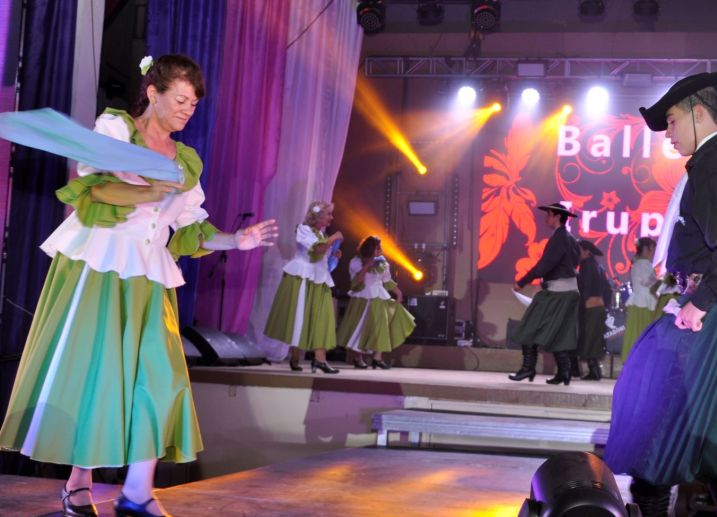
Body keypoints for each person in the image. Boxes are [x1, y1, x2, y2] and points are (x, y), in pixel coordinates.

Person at [0, 54, 278, 517]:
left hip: (150, 275)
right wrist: (150, 189)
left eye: (194, 104)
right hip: (101, 264)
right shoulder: (116, 129)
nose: (188, 110)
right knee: (97, 378)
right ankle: (79, 481)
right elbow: (95, 190)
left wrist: (236, 240)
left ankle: (137, 491)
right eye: (181, 99)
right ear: (153, 92)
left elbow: (191, 228)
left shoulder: (184, 161)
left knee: (162, 377)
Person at [603, 67, 717, 517]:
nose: (668, 134)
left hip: (716, 306)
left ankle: (658, 498)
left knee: (659, 420)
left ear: (699, 113)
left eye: (672, 121)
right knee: (704, 431)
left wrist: (701, 301)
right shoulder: (716, 162)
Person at [264, 201, 343, 374]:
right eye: (328, 214)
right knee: (300, 315)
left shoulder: (321, 234)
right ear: (318, 216)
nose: (331, 218)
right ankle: (296, 356)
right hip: (303, 278)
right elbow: (317, 250)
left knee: (321, 318)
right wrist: (333, 239)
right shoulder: (303, 229)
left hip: (319, 279)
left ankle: (319, 360)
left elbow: (323, 259)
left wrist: (334, 257)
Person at [508, 202, 581, 386]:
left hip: (558, 294)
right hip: (568, 292)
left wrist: (522, 281)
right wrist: (544, 283)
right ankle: (564, 372)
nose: (546, 218)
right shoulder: (569, 238)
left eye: (548, 214)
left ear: (557, 217)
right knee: (559, 333)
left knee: (529, 327)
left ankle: (528, 368)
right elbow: (563, 266)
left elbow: (544, 265)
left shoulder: (560, 238)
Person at [335, 236, 416, 369]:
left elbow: (387, 281)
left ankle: (377, 358)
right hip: (362, 298)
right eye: (378, 248)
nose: (381, 250)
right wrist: (367, 266)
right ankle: (358, 358)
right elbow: (356, 281)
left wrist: (398, 293)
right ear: (370, 249)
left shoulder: (383, 263)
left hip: (379, 298)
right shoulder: (356, 262)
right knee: (361, 328)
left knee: (381, 327)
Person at [575, 239, 610, 381]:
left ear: (586, 251)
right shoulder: (598, 266)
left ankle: (594, 371)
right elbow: (607, 289)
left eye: (578, 249)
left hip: (590, 307)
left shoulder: (586, 265)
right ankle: (594, 371)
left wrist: (581, 305)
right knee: (593, 339)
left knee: (589, 339)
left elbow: (585, 287)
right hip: (598, 307)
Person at [621, 237, 658, 364]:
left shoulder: (638, 263)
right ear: (646, 249)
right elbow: (650, 283)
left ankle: (636, 361)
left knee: (637, 333)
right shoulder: (642, 264)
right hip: (644, 304)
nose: (652, 252)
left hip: (641, 302)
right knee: (643, 332)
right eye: (651, 249)